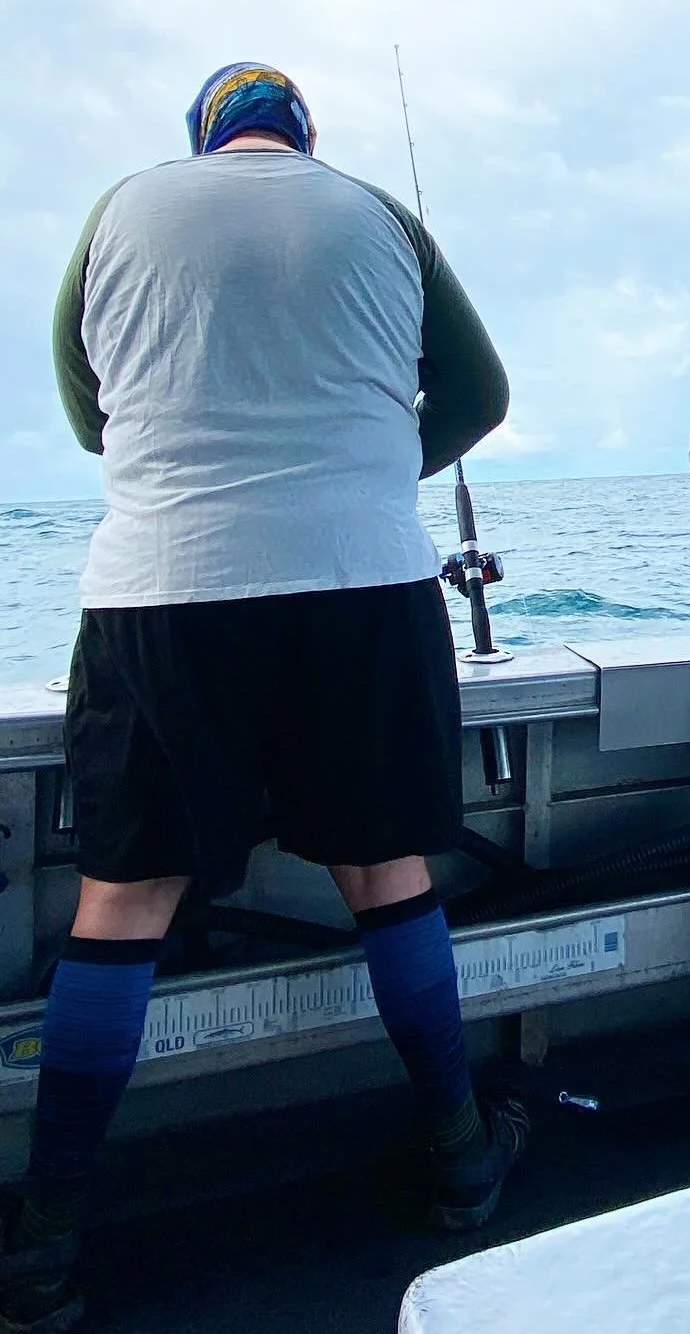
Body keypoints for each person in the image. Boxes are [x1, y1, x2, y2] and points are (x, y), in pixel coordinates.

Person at [1, 64, 520, 1333]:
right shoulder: (379, 212)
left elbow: (88, 420)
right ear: (305, 138)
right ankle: (458, 1155)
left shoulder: (122, 208)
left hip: (162, 588)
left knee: (121, 902)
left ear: (200, 139)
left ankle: (44, 1247)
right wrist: (364, 457)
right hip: (361, 580)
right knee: (388, 870)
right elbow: (482, 395)